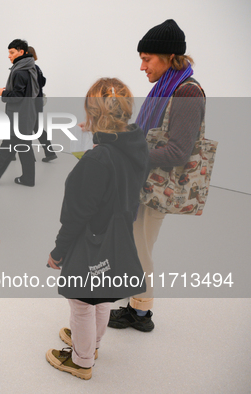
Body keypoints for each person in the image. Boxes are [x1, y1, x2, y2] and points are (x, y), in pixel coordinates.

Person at [45, 78, 149, 380]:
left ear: (94, 114)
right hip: (119, 234)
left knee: (80, 299)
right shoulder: (136, 143)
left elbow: (76, 215)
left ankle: (82, 360)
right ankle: (93, 343)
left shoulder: (97, 159)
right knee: (101, 293)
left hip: (92, 238)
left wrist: (58, 252)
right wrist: (99, 136)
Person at [108, 19, 205, 332]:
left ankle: (140, 313)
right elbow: (150, 133)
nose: (141, 66)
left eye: (147, 59)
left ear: (169, 58)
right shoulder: (165, 88)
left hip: (156, 188)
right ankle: (137, 305)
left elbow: (178, 152)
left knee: (141, 251)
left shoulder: (187, 94)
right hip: (144, 182)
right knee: (137, 247)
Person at [0, 39, 39, 187]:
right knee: (24, 148)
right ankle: (28, 178)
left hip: (18, 118)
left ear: (22, 52)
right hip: (26, 115)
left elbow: (17, 97)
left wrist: (3, 92)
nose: (9, 56)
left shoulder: (19, 71)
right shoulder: (30, 67)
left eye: (12, 52)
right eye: (9, 52)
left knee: (8, 147)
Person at [28, 46, 57, 162]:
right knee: (38, 129)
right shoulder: (37, 68)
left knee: (25, 130)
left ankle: (28, 156)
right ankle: (50, 153)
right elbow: (43, 81)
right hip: (38, 103)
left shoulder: (28, 69)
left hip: (31, 104)